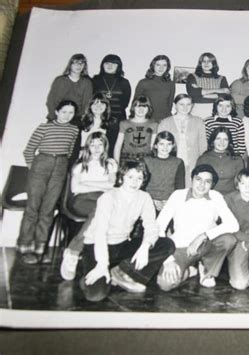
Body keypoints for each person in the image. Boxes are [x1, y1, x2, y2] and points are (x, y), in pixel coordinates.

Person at [80, 161, 175, 302]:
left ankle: (122, 273)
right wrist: (102, 264)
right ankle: (92, 274)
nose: (135, 182)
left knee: (167, 244)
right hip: (97, 246)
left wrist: (145, 246)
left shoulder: (144, 197)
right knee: (96, 295)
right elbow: (100, 233)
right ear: (121, 178)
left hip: (122, 244)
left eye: (139, 178)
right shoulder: (108, 197)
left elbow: (151, 227)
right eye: (130, 177)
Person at [156, 164, 239, 291]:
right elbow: (158, 227)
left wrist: (203, 236)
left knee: (229, 239)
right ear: (192, 179)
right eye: (198, 179)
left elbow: (233, 224)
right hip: (181, 247)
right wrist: (168, 260)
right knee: (165, 284)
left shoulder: (215, 196)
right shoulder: (178, 195)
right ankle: (189, 270)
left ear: (212, 184)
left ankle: (207, 269)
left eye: (207, 181)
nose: (202, 185)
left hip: (207, 245)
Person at [17, 100, 79, 264]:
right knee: (33, 208)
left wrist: (60, 164)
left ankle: (40, 248)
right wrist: (35, 168)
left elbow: (70, 150)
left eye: (71, 113)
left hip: (60, 166)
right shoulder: (44, 127)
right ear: (57, 112)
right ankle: (24, 246)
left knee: (48, 209)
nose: (67, 116)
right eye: (64, 111)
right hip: (41, 164)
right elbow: (28, 150)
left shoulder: (73, 130)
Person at [60, 132, 117, 281]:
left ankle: (73, 251)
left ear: (105, 146)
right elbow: (75, 189)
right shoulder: (80, 164)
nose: (96, 148)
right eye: (93, 144)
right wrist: (100, 186)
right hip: (82, 201)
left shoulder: (110, 163)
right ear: (88, 147)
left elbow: (112, 185)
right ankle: (76, 251)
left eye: (100, 144)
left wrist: (87, 183)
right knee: (100, 212)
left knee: (100, 211)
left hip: (103, 200)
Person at [158, 94, 207, 187]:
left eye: (188, 104)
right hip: (170, 164)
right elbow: (159, 146)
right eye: (181, 104)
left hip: (192, 165)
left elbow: (203, 147)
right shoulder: (165, 122)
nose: (185, 107)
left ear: (192, 106)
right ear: (174, 105)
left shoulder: (199, 122)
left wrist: (200, 166)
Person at [92, 54, 131, 151]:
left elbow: (125, 103)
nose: (110, 66)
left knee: (113, 148)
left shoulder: (124, 82)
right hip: (98, 118)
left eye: (113, 63)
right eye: (107, 63)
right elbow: (91, 101)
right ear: (102, 65)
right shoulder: (95, 81)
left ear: (118, 66)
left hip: (117, 119)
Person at [143, 131, 185, 213]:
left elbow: (180, 187)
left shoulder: (178, 162)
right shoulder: (147, 161)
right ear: (155, 145)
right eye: (161, 144)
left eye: (169, 144)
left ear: (173, 146)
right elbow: (142, 185)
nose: (165, 147)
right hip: (149, 201)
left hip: (169, 202)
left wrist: (171, 203)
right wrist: (150, 202)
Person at [45, 53, 93, 124]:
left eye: (81, 63)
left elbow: (86, 105)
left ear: (84, 66)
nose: (79, 66)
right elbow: (50, 101)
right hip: (55, 118)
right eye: (76, 63)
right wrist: (56, 118)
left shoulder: (87, 83)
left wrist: (72, 119)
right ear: (70, 65)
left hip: (75, 120)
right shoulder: (59, 80)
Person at [196, 127, 245, 195]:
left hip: (231, 198)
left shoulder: (237, 159)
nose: (222, 142)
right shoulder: (203, 159)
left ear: (229, 142)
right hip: (209, 197)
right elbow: (198, 183)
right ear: (213, 141)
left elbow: (241, 184)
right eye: (218, 139)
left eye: (225, 139)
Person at [113, 95, 158, 164]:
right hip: (127, 158)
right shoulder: (124, 123)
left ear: (148, 109)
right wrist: (116, 163)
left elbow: (152, 147)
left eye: (144, 106)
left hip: (146, 158)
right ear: (133, 108)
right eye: (138, 106)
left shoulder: (154, 124)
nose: (141, 109)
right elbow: (118, 145)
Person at [186, 52, 230, 119]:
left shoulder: (222, 78)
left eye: (209, 61)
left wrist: (202, 92)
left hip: (217, 110)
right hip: (197, 110)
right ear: (200, 63)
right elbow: (193, 94)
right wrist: (218, 90)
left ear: (213, 63)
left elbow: (225, 96)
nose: (206, 64)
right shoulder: (192, 76)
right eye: (204, 61)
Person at [133, 55, 175, 123]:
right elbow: (135, 103)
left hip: (165, 119)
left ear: (167, 67)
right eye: (158, 65)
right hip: (147, 119)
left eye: (164, 65)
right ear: (153, 65)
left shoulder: (171, 84)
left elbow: (170, 104)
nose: (161, 68)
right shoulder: (143, 82)